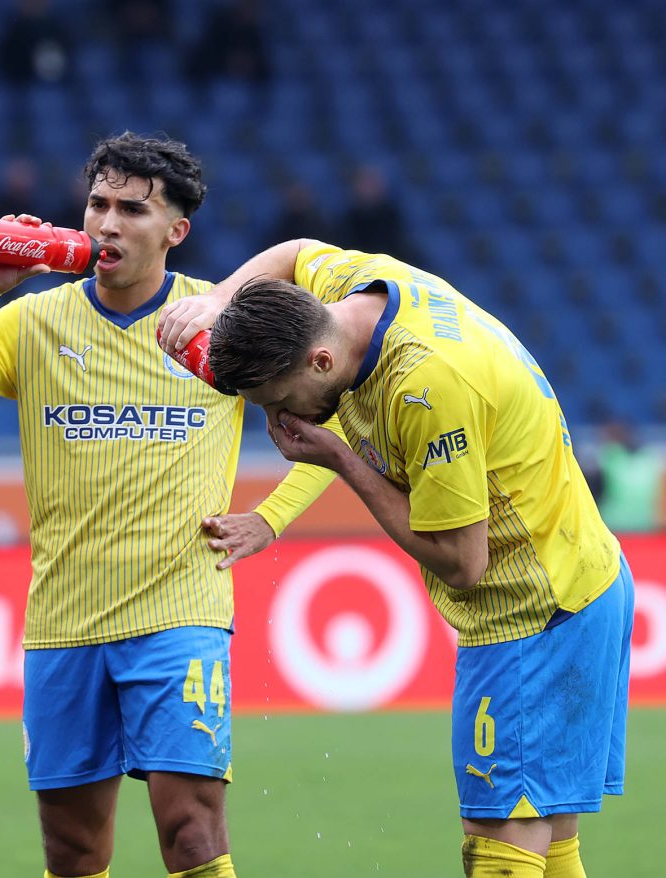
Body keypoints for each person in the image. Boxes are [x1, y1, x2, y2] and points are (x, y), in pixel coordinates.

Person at [0, 132, 307, 878]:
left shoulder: (218, 325)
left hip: (179, 614)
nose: (107, 224)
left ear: (176, 230)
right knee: (73, 852)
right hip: (64, 623)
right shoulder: (33, 324)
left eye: (132, 210)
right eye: (97, 204)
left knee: (192, 834)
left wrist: (268, 519)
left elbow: (331, 428)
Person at [159, 239, 634, 877]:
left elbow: (462, 563)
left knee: (498, 845)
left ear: (320, 359)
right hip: (584, 581)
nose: (278, 417)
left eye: (279, 399)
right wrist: (217, 302)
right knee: (546, 834)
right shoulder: (351, 287)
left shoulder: (425, 389)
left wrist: (342, 461)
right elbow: (296, 251)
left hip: (534, 610)